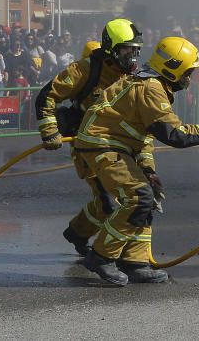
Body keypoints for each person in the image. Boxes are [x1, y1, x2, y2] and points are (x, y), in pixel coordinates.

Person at [75, 36, 199, 286]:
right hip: (102, 146)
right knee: (139, 197)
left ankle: (135, 263)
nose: (190, 78)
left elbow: (143, 136)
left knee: (147, 193)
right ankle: (101, 256)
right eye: (188, 72)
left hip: (115, 145)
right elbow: (177, 136)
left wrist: (148, 170)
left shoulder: (151, 85)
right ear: (173, 69)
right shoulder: (151, 88)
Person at [35, 19, 144, 256]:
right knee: (109, 203)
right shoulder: (85, 70)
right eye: (127, 50)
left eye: (136, 51)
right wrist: (50, 130)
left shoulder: (132, 77)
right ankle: (103, 253)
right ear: (111, 48)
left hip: (121, 148)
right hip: (89, 148)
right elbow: (47, 95)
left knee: (129, 199)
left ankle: (78, 232)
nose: (132, 57)